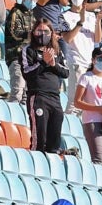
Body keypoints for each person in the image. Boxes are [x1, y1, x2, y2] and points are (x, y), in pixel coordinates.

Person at [22, 20, 69, 154]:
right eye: (39, 31)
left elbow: (66, 72)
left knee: (54, 142)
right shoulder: (28, 50)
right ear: (33, 32)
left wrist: (53, 63)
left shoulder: (57, 51)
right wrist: (43, 62)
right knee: (39, 140)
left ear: (51, 33)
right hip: (38, 97)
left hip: (55, 98)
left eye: (46, 31)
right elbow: (27, 72)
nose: (42, 34)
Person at [5, 0, 38, 104]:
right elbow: (15, 33)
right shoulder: (15, 12)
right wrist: (32, 35)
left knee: (27, 96)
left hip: (28, 59)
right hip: (16, 56)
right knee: (17, 92)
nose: (32, 1)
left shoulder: (32, 16)